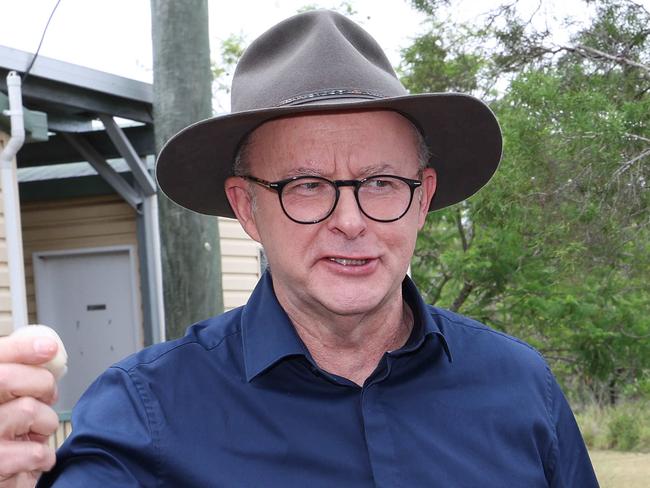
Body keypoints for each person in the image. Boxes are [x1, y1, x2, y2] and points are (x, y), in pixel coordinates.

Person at [0, 10, 598, 487]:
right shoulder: (146, 412)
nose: (350, 221)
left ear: (423, 198)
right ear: (246, 207)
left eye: (381, 183)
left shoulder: (521, 387)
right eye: (307, 186)